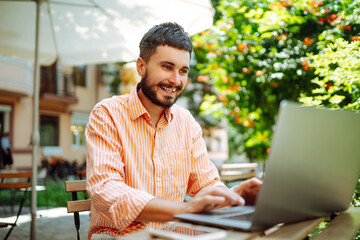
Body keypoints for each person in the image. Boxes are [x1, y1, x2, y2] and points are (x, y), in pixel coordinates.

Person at [85, 22, 262, 239]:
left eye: (183, 71)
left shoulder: (186, 122)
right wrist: (185, 209)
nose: (176, 80)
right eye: (167, 67)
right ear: (141, 66)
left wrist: (235, 196)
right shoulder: (107, 113)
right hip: (117, 236)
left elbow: (206, 186)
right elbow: (106, 190)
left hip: (173, 234)